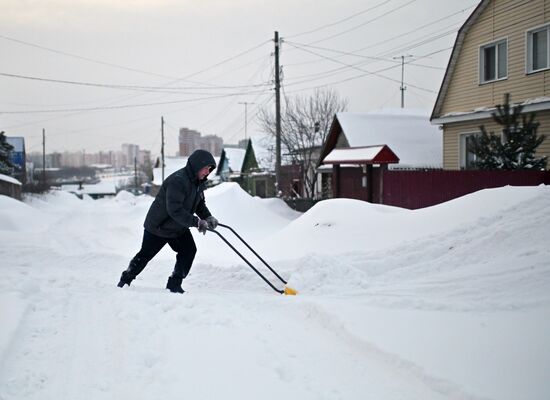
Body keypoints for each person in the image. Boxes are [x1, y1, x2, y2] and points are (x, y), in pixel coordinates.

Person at [117, 149, 218, 293]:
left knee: (189, 250)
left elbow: (199, 204)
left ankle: (174, 285)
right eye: (206, 168)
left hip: (178, 227)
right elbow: (174, 210)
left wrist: (207, 217)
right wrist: (196, 222)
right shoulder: (178, 180)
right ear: (196, 165)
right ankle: (125, 281)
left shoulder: (198, 182)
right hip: (159, 226)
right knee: (145, 255)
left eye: (210, 169)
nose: (207, 172)